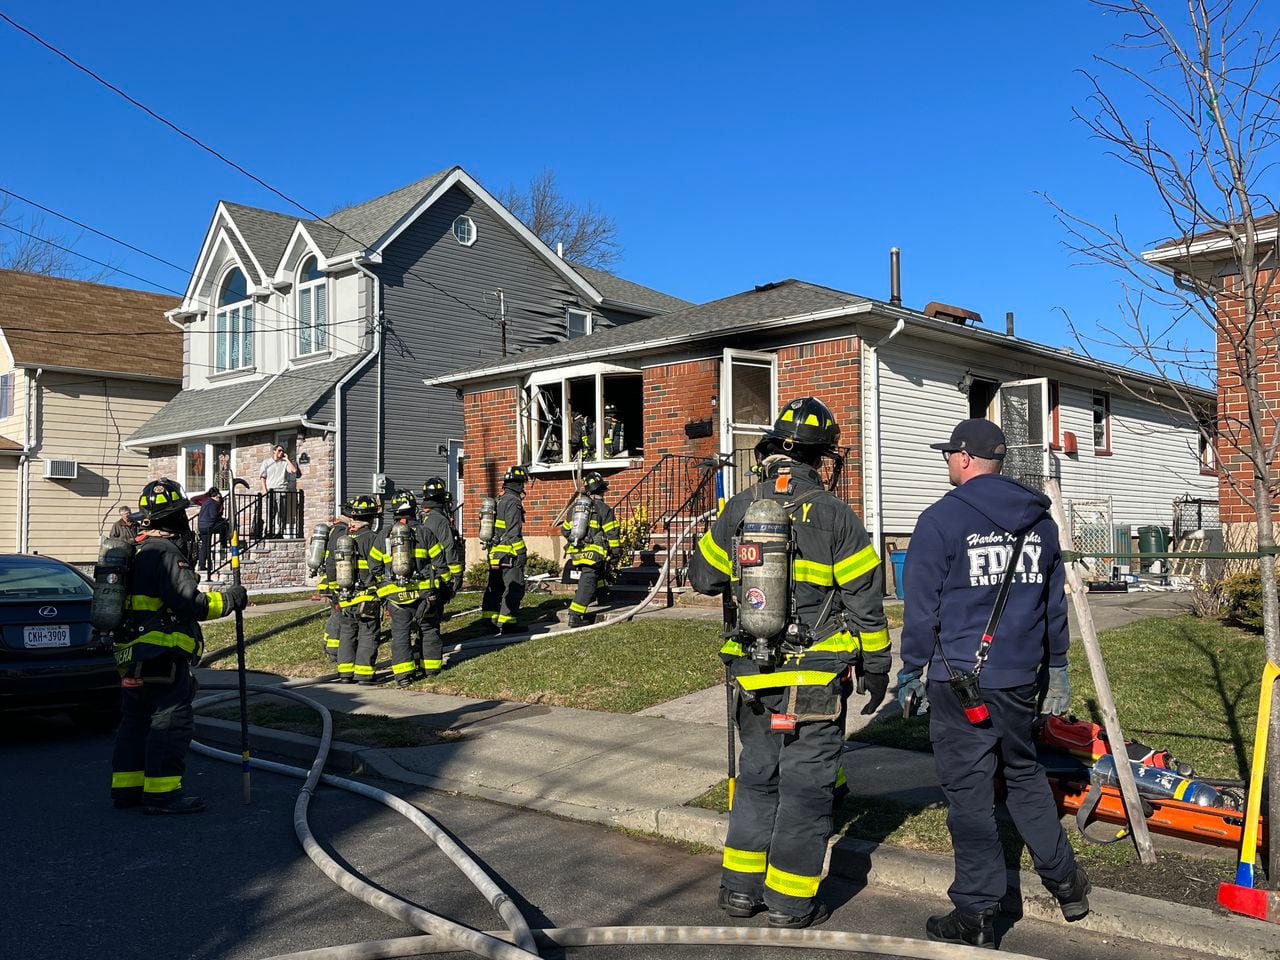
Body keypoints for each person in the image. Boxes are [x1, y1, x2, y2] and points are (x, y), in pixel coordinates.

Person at [689, 397, 889, 929]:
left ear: (775, 449)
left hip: (753, 675)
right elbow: (865, 600)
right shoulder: (836, 515)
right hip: (816, 680)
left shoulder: (740, 508)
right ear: (821, 458)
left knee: (757, 778)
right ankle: (790, 903)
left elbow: (702, 580)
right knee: (806, 787)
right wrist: (877, 663)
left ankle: (738, 892)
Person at [898, 418, 1088, 948]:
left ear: (962, 458)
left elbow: (922, 610)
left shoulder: (940, 520)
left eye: (947, 455)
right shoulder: (1040, 523)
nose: (946, 463)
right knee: (1025, 776)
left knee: (969, 795)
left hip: (959, 681)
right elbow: (1053, 606)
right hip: (1017, 679)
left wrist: (911, 669)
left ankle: (977, 912)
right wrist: (1057, 665)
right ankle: (1067, 883)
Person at [110, 478, 248, 814]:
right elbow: (191, 604)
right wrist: (231, 599)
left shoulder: (135, 550)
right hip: (163, 655)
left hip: (131, 656)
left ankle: (127, 789)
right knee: (169, 723)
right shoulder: (167, 554)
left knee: (135, 721)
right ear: (174, 519)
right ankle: (162, 794)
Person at [372, 492, 451, 686]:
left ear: (394, 513)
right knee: (429, 629)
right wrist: (446, 587)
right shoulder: (425, 533)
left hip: (396, 599)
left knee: (400, 634)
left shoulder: (384, 536)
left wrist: (386, 588)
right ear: (415, 511)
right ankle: (431, 668)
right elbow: (440, 564)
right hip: (424, 595)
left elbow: (374, 566)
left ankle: (403, 676)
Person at [332, 496, 382, 684]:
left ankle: (345, 674)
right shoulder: (372, 538)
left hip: (345, 595)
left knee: (347, 633)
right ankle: (364, 675)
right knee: (368, 633)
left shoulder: (342, 538)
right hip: (366, 596)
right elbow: (377, 566)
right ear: (371, 519)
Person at [561, 471, 622, 627]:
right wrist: (615, 552)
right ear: (601, 491)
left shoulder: (575, 509)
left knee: (598, 571)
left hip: (576, 550)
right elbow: (612, 533)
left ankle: (603, 596)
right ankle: (575, 615)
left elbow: (566, 531)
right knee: (588, 580)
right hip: (594, 552)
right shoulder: (604, 509)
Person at [421, 478, 463, 675]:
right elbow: (448, 548)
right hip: (436, 578)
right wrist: (456, 576)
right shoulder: (440, 521)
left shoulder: (423, 518)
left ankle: (417, 659)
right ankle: (431, 666)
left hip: (419, 580)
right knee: (431, 624)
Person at [481, 465, 530, 634]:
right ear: (518, 484)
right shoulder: (513, 502)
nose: (523, 487)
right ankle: (508, 623)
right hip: (509, 554)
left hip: (495, 553)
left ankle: (489, 620)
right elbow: (513, 532)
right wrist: (521, 553)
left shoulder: (499, 500)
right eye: (522, 483)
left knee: (495, 587)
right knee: (514, 587)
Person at [317, 514, 350, 664]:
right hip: (335, 581)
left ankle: (327, 643)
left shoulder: (332, 530)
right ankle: (333, 651)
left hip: (329, 581)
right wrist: (335, 586)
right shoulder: (341, 533)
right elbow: (333, 560)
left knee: (334, 613)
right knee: (338, 615)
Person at [259, 444, 302, 537]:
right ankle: (269, 531)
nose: (281, 452)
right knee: (271, 513)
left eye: (282, 451)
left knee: (282, 513)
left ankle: (280, 532)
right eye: (279, 450)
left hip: (282, 490)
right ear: (274, 451)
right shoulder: (267, 462)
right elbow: (263, 477)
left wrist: (287, 459)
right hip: (270, 491)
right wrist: (264, 489)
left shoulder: (284, 463)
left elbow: (293, 470)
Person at [196, 487, 230, 577]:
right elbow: (213, 516)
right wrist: (221, 519)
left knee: (205, 546)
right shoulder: (212, 503)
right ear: (215, 496)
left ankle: (202, 565)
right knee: (225, 526)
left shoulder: (206, 502)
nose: (219, 499)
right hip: (208, 526)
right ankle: (224, 543)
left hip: (202, 526)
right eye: (219, 497)